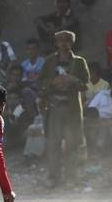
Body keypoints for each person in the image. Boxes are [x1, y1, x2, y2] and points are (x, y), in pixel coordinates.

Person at [38, 31, 89, 187]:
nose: (64, 43)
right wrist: (53, 83)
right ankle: (54, 178)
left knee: (72, 144)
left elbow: (85, 84)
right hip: (54, 108)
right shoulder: (49, 61)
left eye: (67, 40)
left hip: (72, 108)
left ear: (72, 43)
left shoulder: (79, 62)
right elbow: (41, 83)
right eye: (61, 40)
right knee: (54, 144)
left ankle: (71, 178)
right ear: (56, 43)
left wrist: (73, 80)